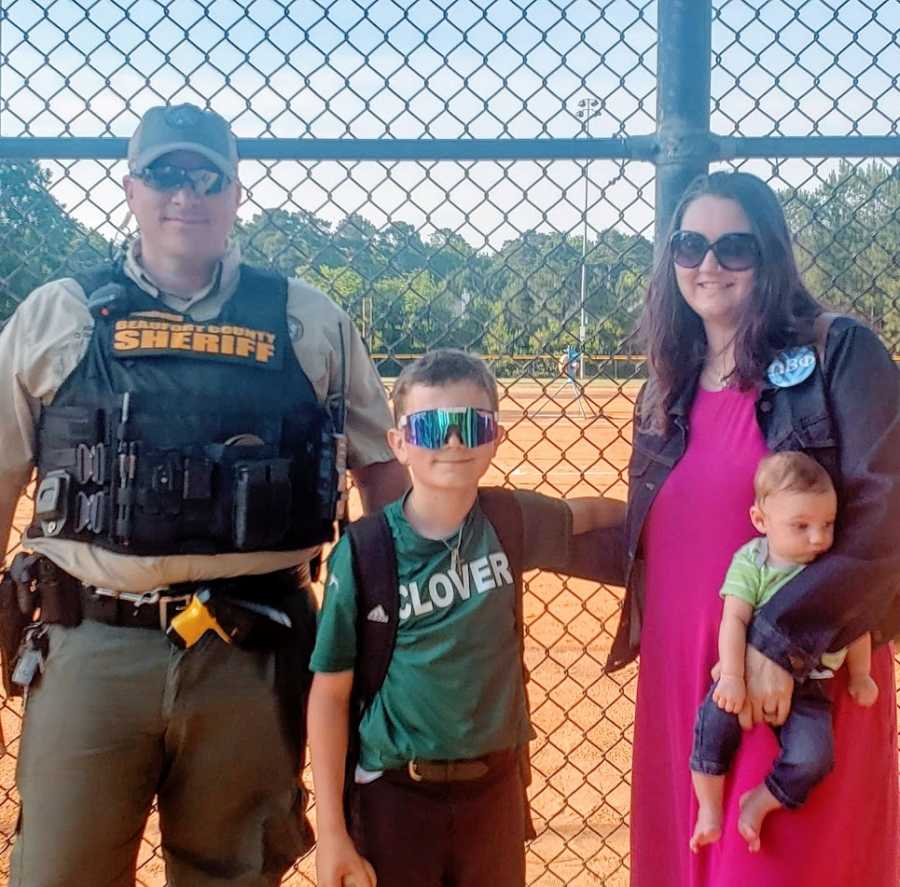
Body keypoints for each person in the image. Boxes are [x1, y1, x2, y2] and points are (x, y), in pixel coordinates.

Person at [0, 103, 409, 886]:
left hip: (253, 652)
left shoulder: (306, 318)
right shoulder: (58, 315)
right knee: (58, 871)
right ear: (130, 188)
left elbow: (380, 468)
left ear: (234, 193)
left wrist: (400, 615)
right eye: (164, 174)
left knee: (236, 873)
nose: (185, 194)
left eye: (206, 176)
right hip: (90, 643)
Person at [600, 170, 899, 886]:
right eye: (689, 245)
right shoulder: (666, 383)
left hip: (799, 667)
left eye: (733, 246)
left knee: (771, 863)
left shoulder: (838, 353)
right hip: (687, 672)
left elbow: (887, 519)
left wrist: (779, 637)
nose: (708, 264)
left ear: (769, 254)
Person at [306, 348, 626, 887]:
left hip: (494, 793)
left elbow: (586, 515)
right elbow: (330, 695)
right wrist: (333, 832)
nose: (452, 442)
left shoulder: (508, 518)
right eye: (430, 427)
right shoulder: (366, 552)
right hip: (393, 794)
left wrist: (664, 514)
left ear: (494, 436)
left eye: (470, 425)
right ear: (399, 443)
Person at [689, 451, 878, 854]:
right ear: (761, 521)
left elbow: (854, 625)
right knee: (712, 727)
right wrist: (733, 677)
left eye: (827, 524)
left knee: (814, 758)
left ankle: (761, 801)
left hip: (811, 684)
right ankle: (709, 807)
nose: (818, 538)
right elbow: (733, 620)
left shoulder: (831, 567)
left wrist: (860, 675)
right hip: (743, 671)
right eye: (802, 526)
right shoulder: (752, 562)